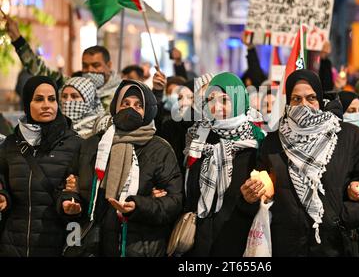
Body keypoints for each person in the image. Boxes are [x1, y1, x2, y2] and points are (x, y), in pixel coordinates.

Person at [256, 70, 359, 257]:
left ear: (320, 99)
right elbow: (264, 190)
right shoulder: (273, 142)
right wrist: (252, 195)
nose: (304, 105)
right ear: (288, 103)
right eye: (296, 99)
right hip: (286, 246)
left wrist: (343, 217)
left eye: (311, 98)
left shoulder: (350, 137)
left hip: (335, 246)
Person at [70, 80, 183, 256]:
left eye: (139, 105)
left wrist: (138, 206)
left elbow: (174, 203)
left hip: (139, 247)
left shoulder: (159, 150)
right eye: (125, 103)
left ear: (148, 110)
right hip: (95, 246)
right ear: (116, 106)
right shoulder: (94, 145)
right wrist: (70, 197)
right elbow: (71, 186)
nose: (131, 109)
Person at [183, 72, 266, 256]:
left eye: (224, 100)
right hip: (199, 243)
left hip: (238, 242)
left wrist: (248, 200)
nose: (216, 107)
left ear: (238, 101)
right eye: (211, 99)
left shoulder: (257, 142)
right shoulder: (199, 137)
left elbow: (266, 197)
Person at [0, 76, 83, 256]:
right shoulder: (10, 145)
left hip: (56, 244)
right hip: (13, 245)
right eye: (39, 99)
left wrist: (70, 202)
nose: (47, 105)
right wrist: (3, 197)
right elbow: (3, 183)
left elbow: (78, 190)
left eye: (52, 99)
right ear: (27, 103)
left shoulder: (75, 145)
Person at [4, 15, 121, 110]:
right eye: (85, 66)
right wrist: (17, 38)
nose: (90, 70)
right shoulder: (72, 85)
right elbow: (39, 70)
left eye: (96, 65)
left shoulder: (121, 95)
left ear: (109, 65)